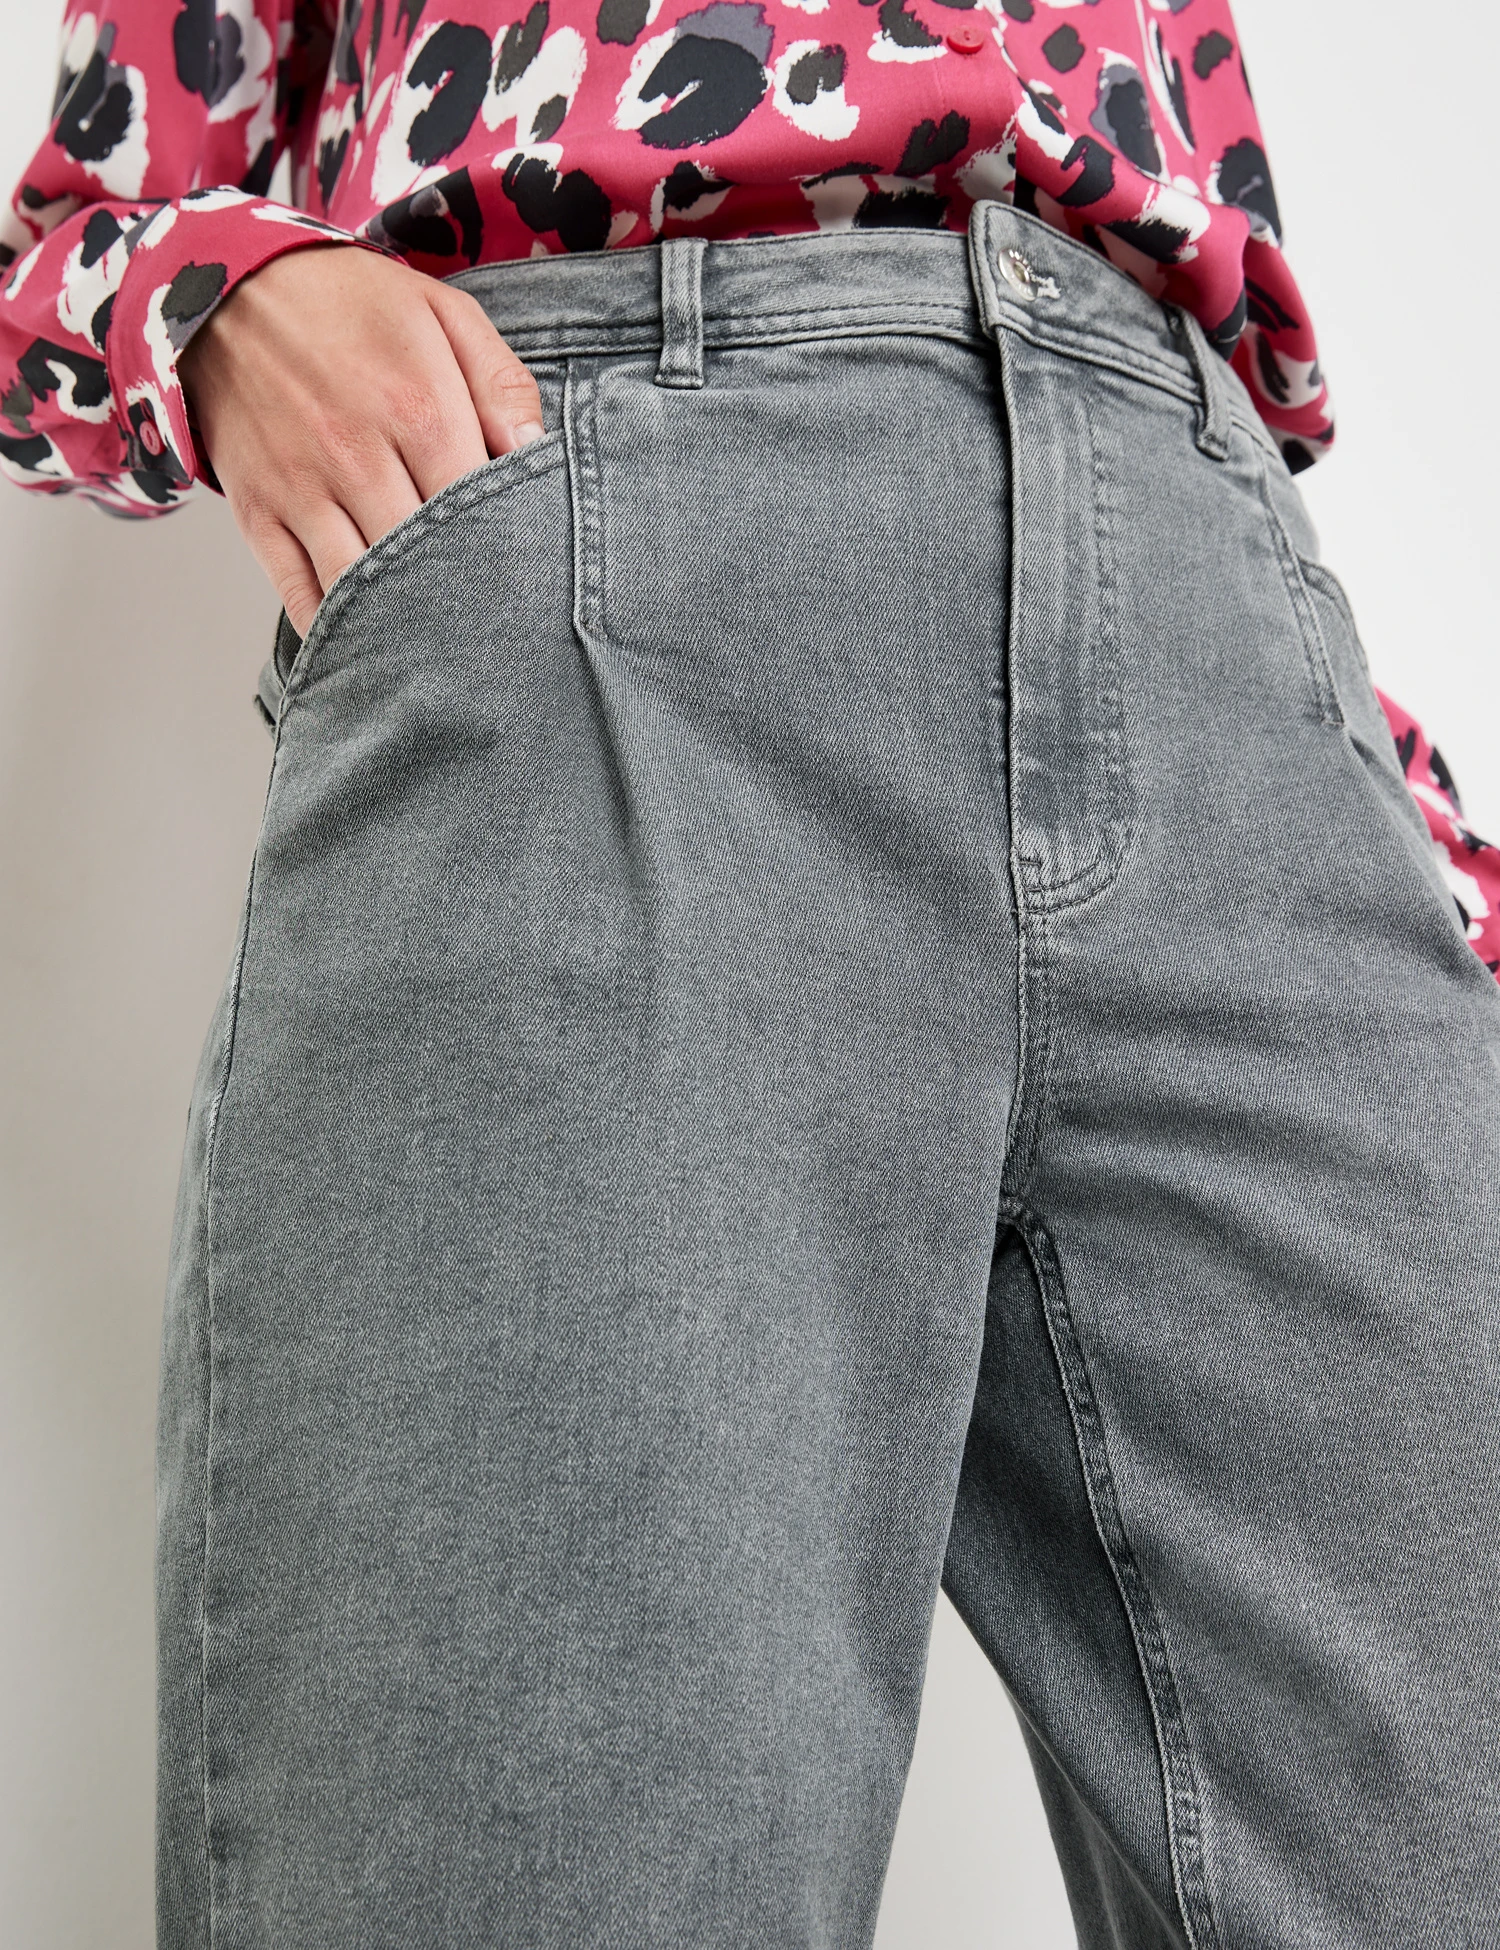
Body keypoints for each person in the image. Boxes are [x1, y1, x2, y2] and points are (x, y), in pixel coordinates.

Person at [4, 4, 1498, 1946]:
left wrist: (1365, 777)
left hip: (1216, 619)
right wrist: (227, 305)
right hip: (600, 564)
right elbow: (73, 237)